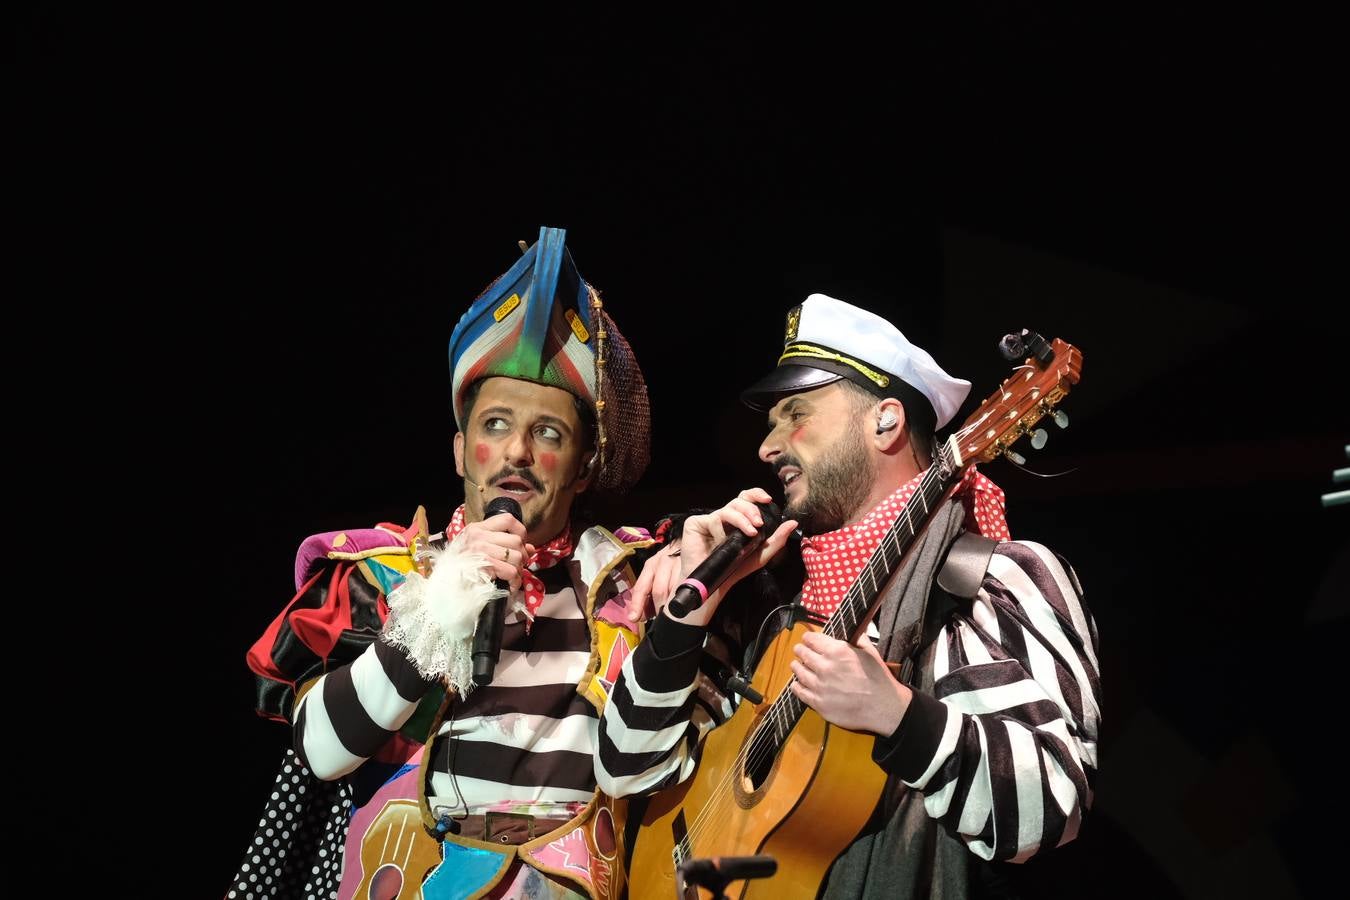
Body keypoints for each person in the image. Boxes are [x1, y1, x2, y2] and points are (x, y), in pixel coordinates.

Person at [596, 293, 1102, 898]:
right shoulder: (771, 601)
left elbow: (1050, 806)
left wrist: (896, 715)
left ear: (885, 420)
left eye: (796, 413)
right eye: (771, 423)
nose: (768, 446)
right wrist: (690, 613)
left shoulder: (985, 582)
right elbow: (623, 772)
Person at [230, 226, 656, 900]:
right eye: (495, 425)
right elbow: (321, 752)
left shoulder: (627, 588)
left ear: (581, 470)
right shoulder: (383, 578)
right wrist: (442, 607)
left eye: (548, 434)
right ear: (461, 453)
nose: (516, 452)